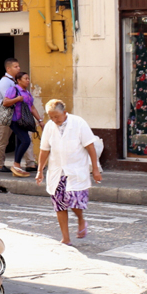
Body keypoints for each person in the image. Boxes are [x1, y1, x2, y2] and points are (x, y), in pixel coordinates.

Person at [35, 99, 102, 245]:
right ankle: (65, 238)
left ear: (65, 113)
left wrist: (95, 169)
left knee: (74, 202)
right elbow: (44, 150)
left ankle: (81, 219)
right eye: (51, 117)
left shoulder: (78, 123)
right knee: (59, 205)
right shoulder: (49, 127)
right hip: (57, 171)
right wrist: (40, 170)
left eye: (57, 116)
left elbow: (90, 147)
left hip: (76, 169)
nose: (54, 120)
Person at [3, 71, 43, 177]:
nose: (28, 81)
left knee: (20, 142)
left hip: (24, 121)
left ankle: (17, 167)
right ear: (18, 80)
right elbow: (5, 102)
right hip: (15, 120)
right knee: (26, 141)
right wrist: (17, 99)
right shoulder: (13, 90)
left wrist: (40, 120)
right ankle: (16, 164)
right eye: (25, 79)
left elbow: (32, 108)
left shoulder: (27, 93)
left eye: (28, 78)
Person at [0, 57, 21, 174]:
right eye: (16, 67)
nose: (18, 68)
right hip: (6, 115)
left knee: (24, 138)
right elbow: (7, 100)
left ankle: (30, 162)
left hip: (15, 114)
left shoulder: (13, 81)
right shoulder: (5, 82)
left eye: (18, 66)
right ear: (8, 68)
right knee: (3, 140)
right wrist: (19, 98)